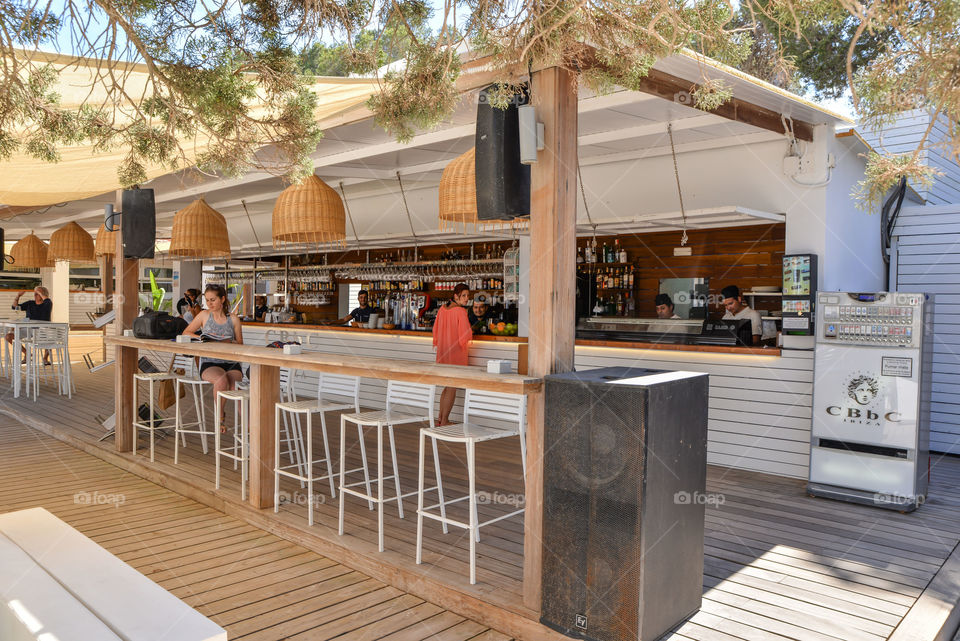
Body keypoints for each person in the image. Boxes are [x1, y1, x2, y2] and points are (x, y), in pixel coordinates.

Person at [182, 284, 244, 431]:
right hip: (210, 363)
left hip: (231, 363)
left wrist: (231, 342)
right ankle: (220, 417)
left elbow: (241, 344)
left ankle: (249, 427)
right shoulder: (204, 315)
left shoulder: (233, 319)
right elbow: (186, 332)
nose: (209, 303)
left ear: (222, 299)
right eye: (207, 300)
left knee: (239, 388)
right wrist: (200, 337)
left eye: (213, 300)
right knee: (221, 379)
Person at [433, 283, 472, 426]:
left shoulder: (442, 309)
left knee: (446, 386)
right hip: (455, 353)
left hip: (443, 352)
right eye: (464, 296)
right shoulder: (461, 311)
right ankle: (445, 421)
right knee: (452, 386)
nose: (467, 298)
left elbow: (435, 331)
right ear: (456, 296)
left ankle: (440, 418)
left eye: (468, 295)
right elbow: (465, 334)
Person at [7, 287, 53, 364]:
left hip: (42, 329)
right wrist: (18, 296)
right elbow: (14, 307)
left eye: (37, 293)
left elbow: (46, 299)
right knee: (9, 336)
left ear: (43, 294)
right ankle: (27, 353)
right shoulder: (30, 303)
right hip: (28, 328)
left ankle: (45, 358)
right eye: (34, 293)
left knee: (49, 338)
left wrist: (40, 292)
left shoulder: (47, 303)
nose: (35, 295)